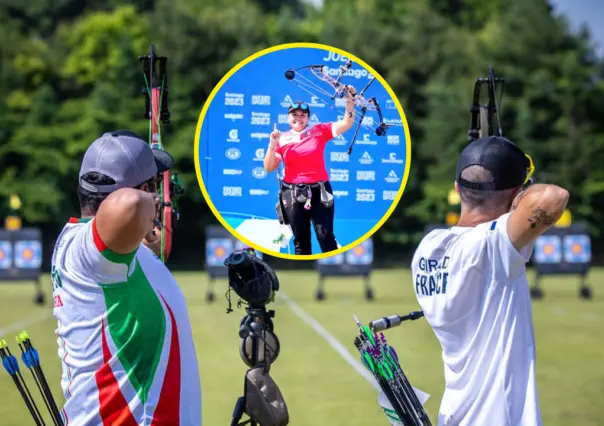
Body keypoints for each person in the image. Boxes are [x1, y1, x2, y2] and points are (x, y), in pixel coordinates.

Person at [411, 136, 569, 426]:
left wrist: (513, 195)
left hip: (453, 414)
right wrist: (520, 197)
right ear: (516, 196)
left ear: (458, 188)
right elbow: (554, 197)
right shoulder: (493, 245)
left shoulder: (427, 248)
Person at [50, 130, 202, 425]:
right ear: (145, 188)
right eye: (155, 187)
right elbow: (130, 204)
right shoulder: (86, 250)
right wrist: (148, 206)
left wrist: (145, 233)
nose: (158, 197)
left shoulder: (111, 257)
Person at [263, 87, 357, 255]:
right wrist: (272, 143)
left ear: (308, 118)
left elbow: (347, 123)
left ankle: (332, 273)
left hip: (320, 191)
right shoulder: (281, 138)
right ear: (288, 117)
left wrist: (349, 100)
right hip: (292, 192)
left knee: (325, 235)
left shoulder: (319, 130)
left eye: (303, 115)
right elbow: (269, 167)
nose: (298, 118)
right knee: (301, 240)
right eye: (294, 114)